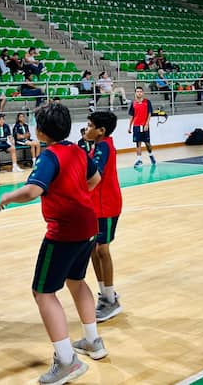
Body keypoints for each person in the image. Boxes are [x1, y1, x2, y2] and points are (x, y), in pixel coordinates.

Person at [0, 103, 106, 384]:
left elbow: (33, 190)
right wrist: (75, 195)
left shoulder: (49, 156)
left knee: (43, 293)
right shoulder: (78, 150)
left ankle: (67, 361)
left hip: (64, 232)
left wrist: (9, 195)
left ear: (42, 131)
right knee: (77, 281)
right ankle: (93, 341)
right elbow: (95, 179)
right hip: (88, 225)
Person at [84, 110, 123, 322]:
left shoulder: (104, 147)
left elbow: (94, 175)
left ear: (101, 131)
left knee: (102, 250)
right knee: (92, 249)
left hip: (106, 206)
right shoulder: (98, 146)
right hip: (95, 205)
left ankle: (111, 299)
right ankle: (105, 294)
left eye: (90, 126)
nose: (86, 129)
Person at [128, 87, 155, 168]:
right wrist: (129, 126)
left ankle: (151, 155)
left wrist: (147, 124)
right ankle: (139, 160)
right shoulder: (133, 103)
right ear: (135, 93)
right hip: (136, 126)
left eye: (140, 91)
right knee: (138, 143)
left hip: (144, 126)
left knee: (147, 143)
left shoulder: (147, 102)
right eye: (137, 91)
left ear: (143, 93)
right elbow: (132, 116)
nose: (139, 93)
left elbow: (149, 113)